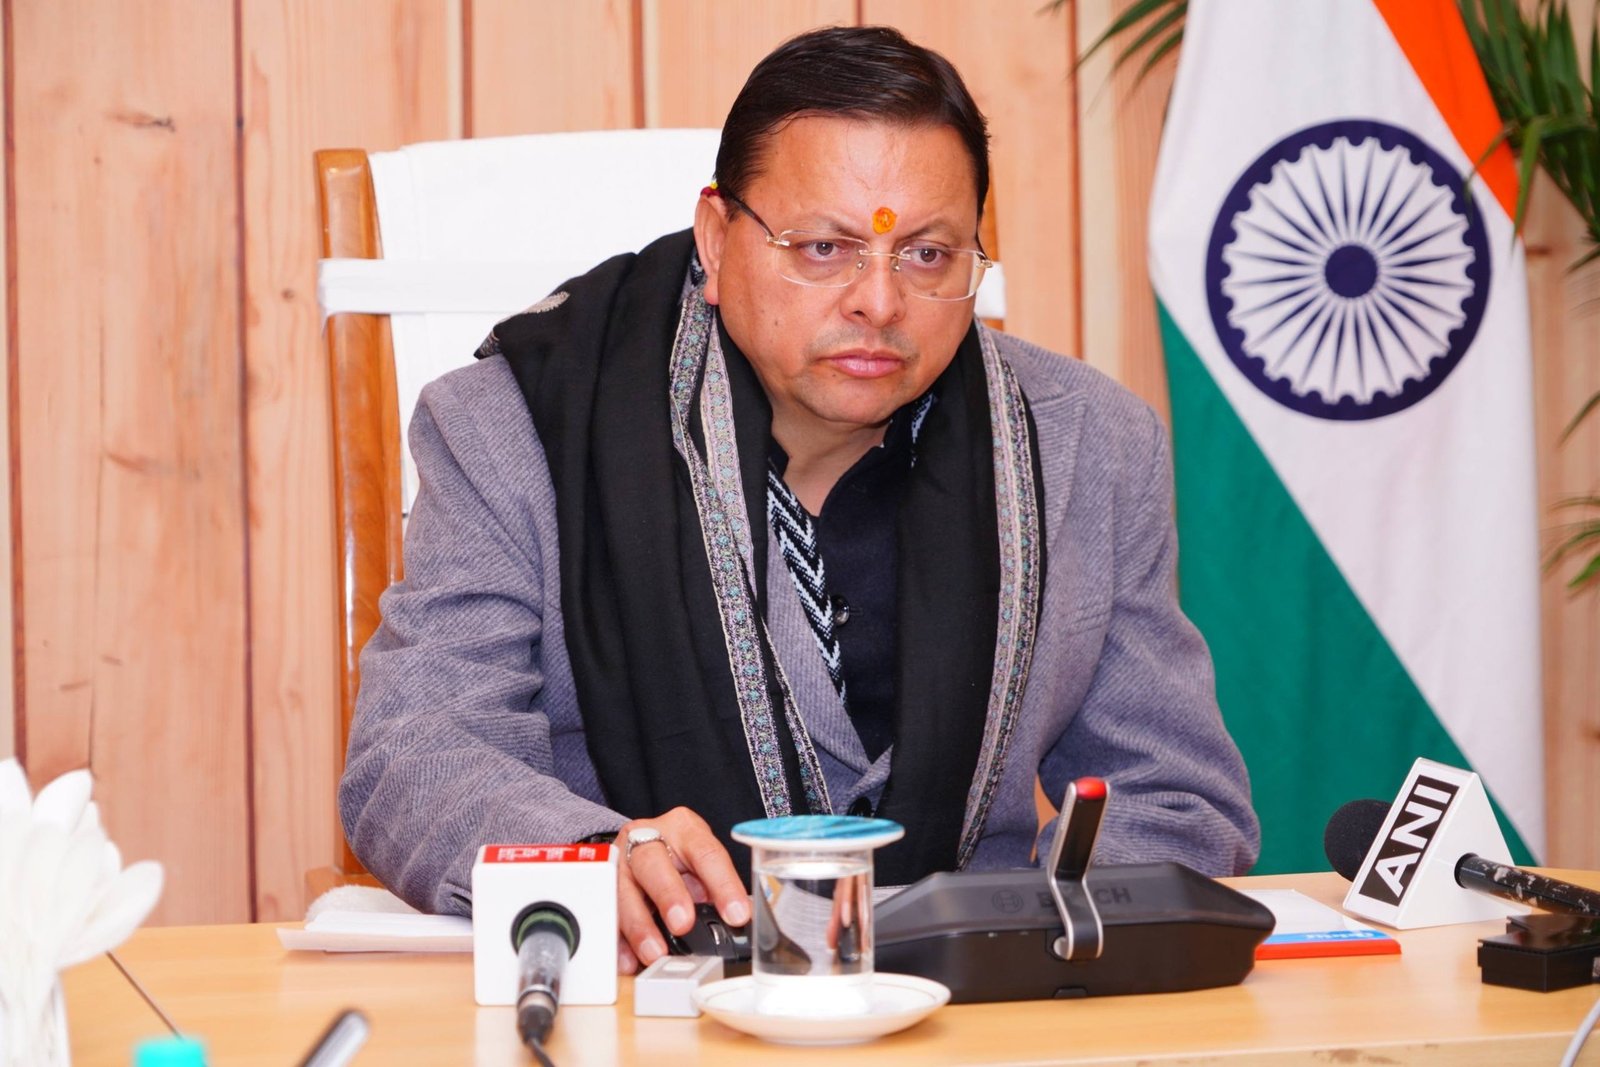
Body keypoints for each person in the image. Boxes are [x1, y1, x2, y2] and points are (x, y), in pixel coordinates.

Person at [339, 25, 1260, 976]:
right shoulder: (520, 424)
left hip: (982, 1004)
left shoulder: (1086, 446)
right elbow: (415, 754)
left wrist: (1046, 943)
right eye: (824, 247)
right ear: (715, 238)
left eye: (928, 255)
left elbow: (1177, 795)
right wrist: (587, 858)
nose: (879, 302)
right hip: (639, 996)